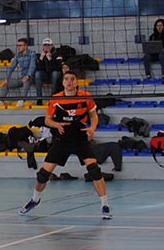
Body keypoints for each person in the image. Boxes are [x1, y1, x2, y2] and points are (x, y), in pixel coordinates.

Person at [18, 69, 109, 220]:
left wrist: (92, 128)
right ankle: (34, 200)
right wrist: (55, 124)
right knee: (43, 175)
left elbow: (93, 115)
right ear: (63, 82)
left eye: (72, 79)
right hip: (62, 139)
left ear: (76, 82)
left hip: (80, 138)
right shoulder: (56, 99)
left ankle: (105, 205)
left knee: (94, 171)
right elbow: (47, 120)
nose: (69, 81)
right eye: (66, 79)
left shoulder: (85, 97)